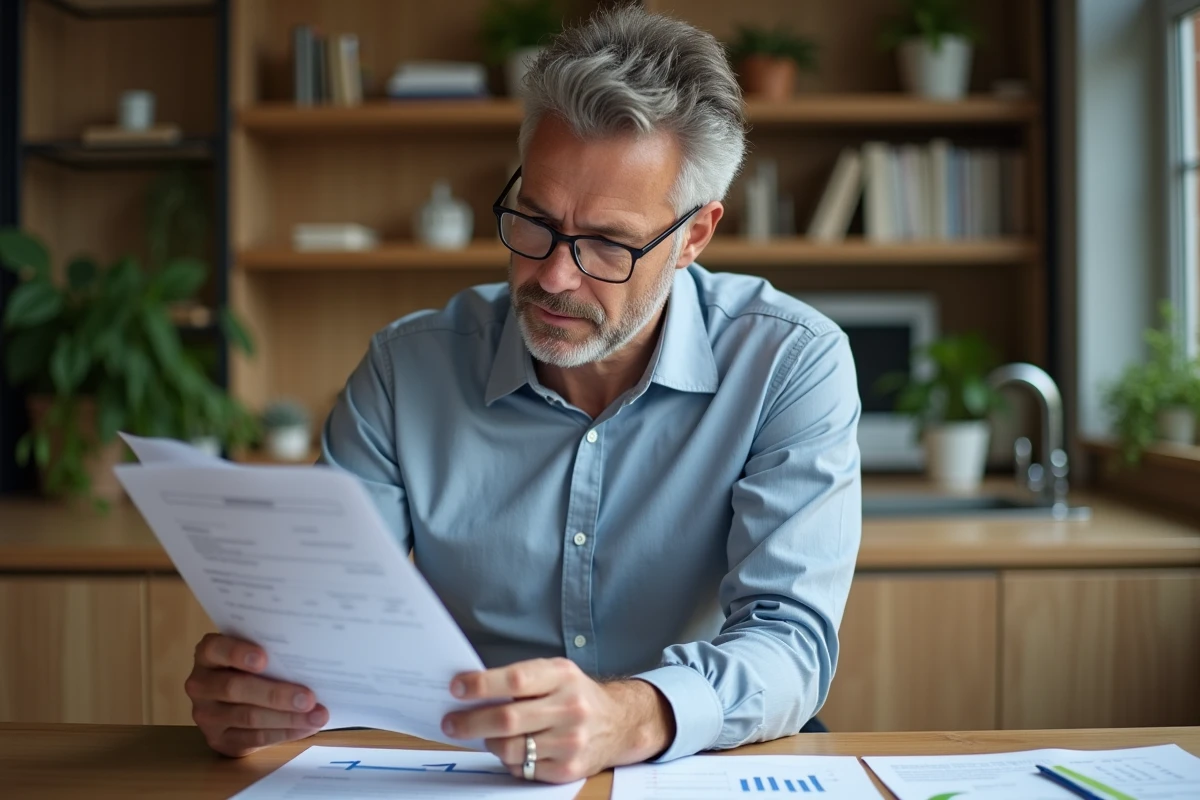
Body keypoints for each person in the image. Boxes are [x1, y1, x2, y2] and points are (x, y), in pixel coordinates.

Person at [183, 6, 862, 785]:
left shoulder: (789, 361)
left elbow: (790, 642)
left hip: (698, 766)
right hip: (470, 769)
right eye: (533, 221)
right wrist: (263, 693)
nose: (552, 276)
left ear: (694, 237)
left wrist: (628, 716)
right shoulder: (408, 370)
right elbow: (329, 628)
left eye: (606, 242)